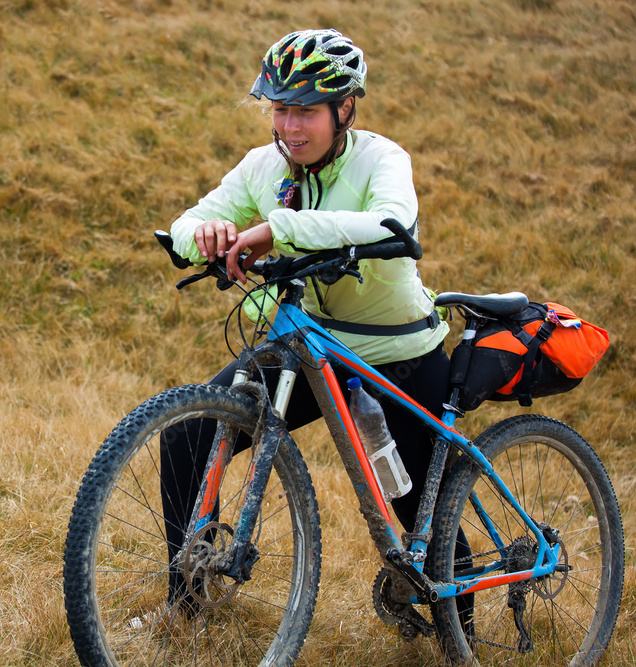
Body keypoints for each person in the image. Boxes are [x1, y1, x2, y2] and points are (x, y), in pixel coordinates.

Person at [161, 28, 470, 622]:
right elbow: (188, 222)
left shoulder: (384, 158)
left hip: (396, 352)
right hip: (304, 345)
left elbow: (390, 226)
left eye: (306, 110)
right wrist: (205, 234)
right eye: (280, 109)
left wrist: (280, 229)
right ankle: (189, 602)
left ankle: (462, 635)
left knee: (414, 510)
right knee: (186, 436)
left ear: (345, 107)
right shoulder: (262, 166)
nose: (291, 127)